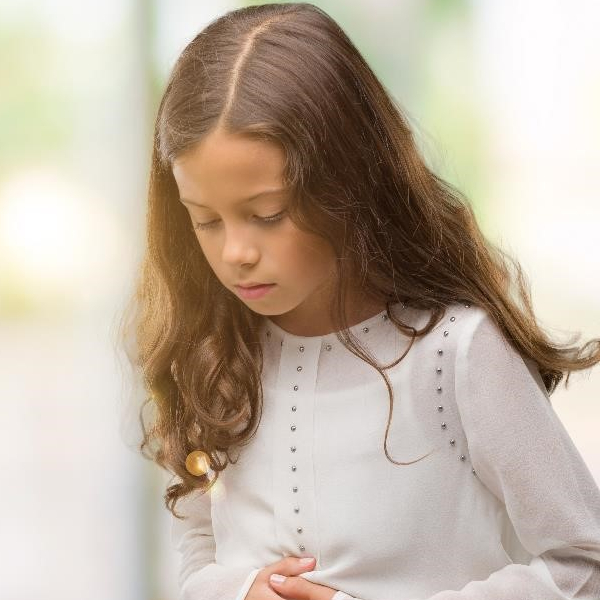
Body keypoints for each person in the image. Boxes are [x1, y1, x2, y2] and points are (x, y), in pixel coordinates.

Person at [118, 3, 600, 599]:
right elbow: (197, 548)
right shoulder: (216, 356)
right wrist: (239, 590)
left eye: (267, 214)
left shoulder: (457, 352)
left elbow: (584, 563)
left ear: (348, 184)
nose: (236, 252)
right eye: (205, 220)